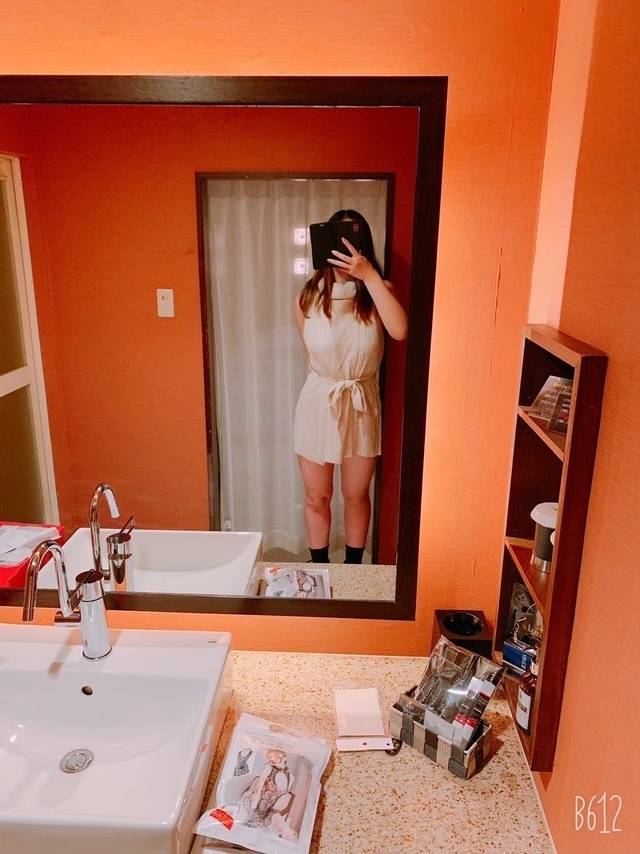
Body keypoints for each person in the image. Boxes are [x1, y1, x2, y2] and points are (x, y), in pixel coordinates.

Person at [293, 209, 408, 564]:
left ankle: (353, 569)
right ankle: (319, 568)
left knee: (356, 495)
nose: (345, 255)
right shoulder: (307, 298)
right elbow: (313, 355)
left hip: (361, 404)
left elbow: (400, 330)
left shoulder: (378, 292)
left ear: (363, 245)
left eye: (351, 244)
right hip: (318, 403)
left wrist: (368, 275)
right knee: (317, 497)